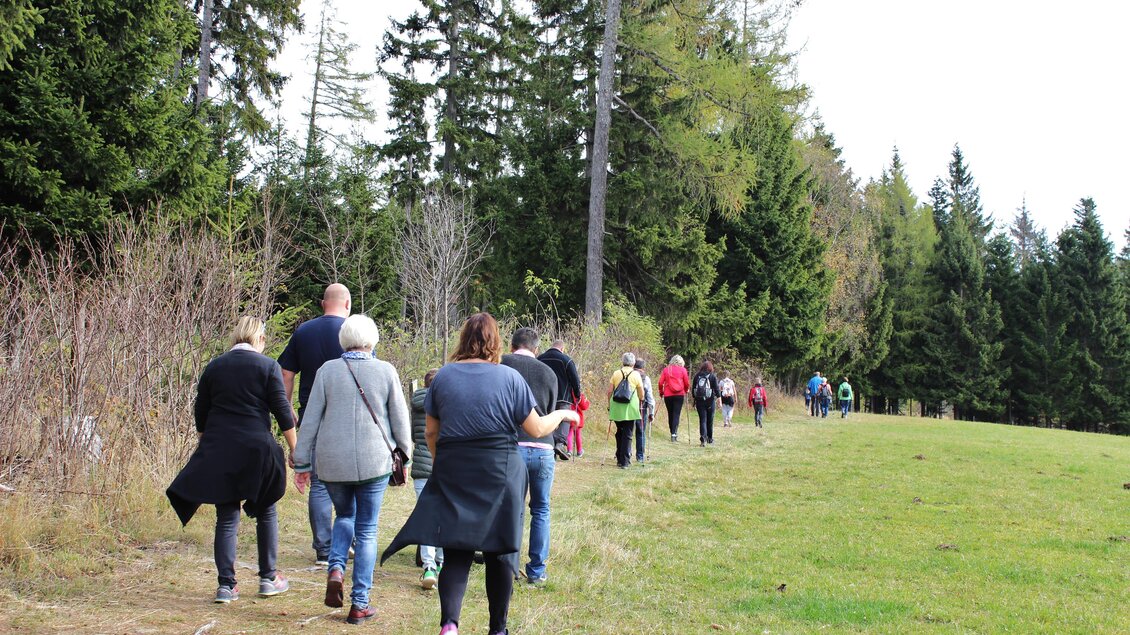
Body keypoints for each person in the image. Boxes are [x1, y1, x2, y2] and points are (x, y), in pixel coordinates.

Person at [380, 313, 578, 635]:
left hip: (455, 468)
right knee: (499, 550)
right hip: (500, 471)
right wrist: (564, 412)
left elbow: (431, 433)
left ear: (463, 339)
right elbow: (538, 428)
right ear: (495, 341)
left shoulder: (443, 377)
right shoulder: (510, 378)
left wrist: (443, 462)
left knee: (457, 548)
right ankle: (497, 629)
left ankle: (449, 625)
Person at [292, 314, 411, 625]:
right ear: (372, 341)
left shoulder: (327, 371)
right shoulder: (385, 371)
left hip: (332, 462)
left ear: (343, 340)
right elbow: (400, 419)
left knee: (345, 515)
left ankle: (335, 567)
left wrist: (302, 463)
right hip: (374, 461)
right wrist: (405, 456)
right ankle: (360, 604)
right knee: (368, 529)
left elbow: (311, 421)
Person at [167, 316, 296, 604]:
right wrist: (294, 448)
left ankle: (226, 586)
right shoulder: (267, 366)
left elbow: (201, 410)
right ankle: (268, 578)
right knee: (266, 510)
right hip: (257, 448)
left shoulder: (215, 366)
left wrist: (206, 442)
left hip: (221, 447)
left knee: (226, 516)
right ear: (259, 340)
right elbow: (282, 411)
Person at [278, 283, 351, 565]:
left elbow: (286, 372)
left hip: (312, 411)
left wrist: (286, 408)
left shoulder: (304, 331)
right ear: (347, 304)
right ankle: (349, 539)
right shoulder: (353, 332)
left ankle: (323, 548)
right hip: (347, 414)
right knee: (352, 479)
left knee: (319, 483)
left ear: (323, 304)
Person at [500, 327, 558, 587]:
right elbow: (551, 412)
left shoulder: (501, 364)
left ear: (512, 346)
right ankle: (536, 571)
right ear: (536, 349)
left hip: (512, 446)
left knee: (511, 509)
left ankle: (508, 566)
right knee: (541, 509)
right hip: (543, 447)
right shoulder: (548, 372)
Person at [410, 369, 443, 589]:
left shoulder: (416, 402)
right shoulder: (446, 402)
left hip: (421, 467)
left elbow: (415, 435)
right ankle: (441, 562)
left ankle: (429, 566)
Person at [537, 339, 583, 460]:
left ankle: (549, 444)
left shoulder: (540, 358)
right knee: (564, 418)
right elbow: (575, 380)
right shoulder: (566, 360)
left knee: (548, 418)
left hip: (545, 396)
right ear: (562, 349)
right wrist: (577, 395)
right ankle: (559, 443)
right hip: (563, 397)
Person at [608, 353, 645, 468]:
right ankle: (624, 461)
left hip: (616, 407)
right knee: (628, 434)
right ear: (633, 363)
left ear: (622, 361)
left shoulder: (616, 373)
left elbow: (609, 391)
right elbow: (641, 393)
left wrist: (608, 404)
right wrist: (641, 400)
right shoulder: (636, 375)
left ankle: (619, 457)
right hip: (630, 408)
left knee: (620, 431)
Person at [657, 355, 690, 442]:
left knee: (670, 413)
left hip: (668, 395)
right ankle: (674, 433)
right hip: (679, 395)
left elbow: (660, 382)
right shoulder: (683, 370)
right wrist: (686, 390)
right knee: (676, 414)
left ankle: (672, 432)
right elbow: (686, 382)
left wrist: (661, 392)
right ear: (681, 362)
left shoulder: (666, 369)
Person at [691, 361, 721, 446]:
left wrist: (695, 399)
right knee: (710, 421)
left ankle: (703, 439)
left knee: (702, 420)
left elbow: (693, 389)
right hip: (710, 401)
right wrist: (719, 400)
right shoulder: (712, 376)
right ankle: (710, 439)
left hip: (700, 401)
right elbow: (717, 389)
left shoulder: (697, 376)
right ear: (711, 368)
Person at [633, 358, 655, 462]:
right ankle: (640, 456)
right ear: (643, 367)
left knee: (627, 432)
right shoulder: (646, 379)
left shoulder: (629, 376)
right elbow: (650, 397)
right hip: (642, 408)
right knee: (640, 432)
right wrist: (651, 412)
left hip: (628, 407)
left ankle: (625, 453)